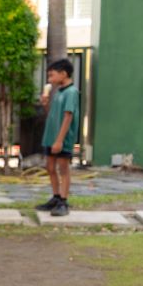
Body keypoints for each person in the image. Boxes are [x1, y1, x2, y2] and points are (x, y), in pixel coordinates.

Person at [36, 59, 79, 217]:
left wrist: (60, 140)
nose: (49, 79)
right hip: (51, 136)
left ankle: (63, 201)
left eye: (51, 75)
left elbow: (68, 116)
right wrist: (45, 103)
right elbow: (53, 114)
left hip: (62, 139)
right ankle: (55, 196)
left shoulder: (71, 92)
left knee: (63, 168)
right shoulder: (59, 92)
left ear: (63, 74)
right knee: (50, 167)